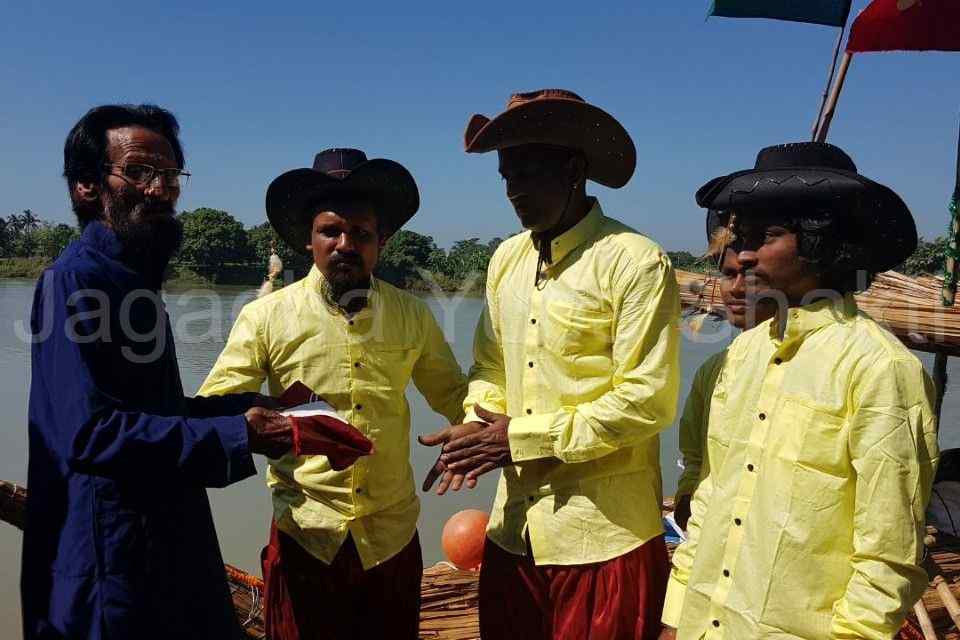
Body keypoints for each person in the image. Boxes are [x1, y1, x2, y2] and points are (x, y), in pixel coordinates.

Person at [23, 104, 291, 640]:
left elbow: (153, 413)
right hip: (112, 564)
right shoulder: (75, 283)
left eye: (170, 175)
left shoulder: (132, 283)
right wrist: (241, 434)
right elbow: (92, 434)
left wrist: (254, 409)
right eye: (140, 172)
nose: (160, 189)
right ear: (86, 186)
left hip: (167, 547)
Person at [420, 89, 681, 640]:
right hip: (515, 527)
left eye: (530, 171)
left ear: (574, 169)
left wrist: (518, 439)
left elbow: (646, 400)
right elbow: (490, 367)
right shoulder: (505, 259)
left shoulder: (635, 261)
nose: (514, 190)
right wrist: (477, 420)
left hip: (602, 532)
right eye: (506, 175)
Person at [660, 142, 939, 639]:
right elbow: (710, 506)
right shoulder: (739, 359)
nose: (744, 254)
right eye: (742, 236)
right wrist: (678, 617)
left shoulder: (879, 369)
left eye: (767, 235)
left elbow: (887, 556)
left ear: (822, 244)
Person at [198, 148, 468, 640]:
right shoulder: (265, 317)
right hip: (306, 534)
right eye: (331, 231)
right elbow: (214, 411)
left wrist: (479, 431)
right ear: (309, 241)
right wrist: (263, 427)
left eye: (361, 233)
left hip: (390, 535)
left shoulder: (413, 315)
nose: (346, 244)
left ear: (381, 241)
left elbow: (453, 393)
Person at [673, 222, 777, 530]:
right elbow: (694, 457)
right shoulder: (715, 370)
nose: (736, 288)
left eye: (752, 277)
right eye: (729, 275)